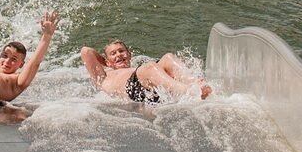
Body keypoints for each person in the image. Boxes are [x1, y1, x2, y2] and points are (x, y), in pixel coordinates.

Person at [82, 39, 210, 103]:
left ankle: (196, 83)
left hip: (149, 88)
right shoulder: (103, 75)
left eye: (121, 51)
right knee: (150, 67)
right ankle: (189, 92)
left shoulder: (136, 68)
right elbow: (86, 51)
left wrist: (111, 59)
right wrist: (107, 63)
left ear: (129, 55)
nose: (118, 55)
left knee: (168, 58)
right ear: (107, 61)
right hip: (133, 90)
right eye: (113, 53)